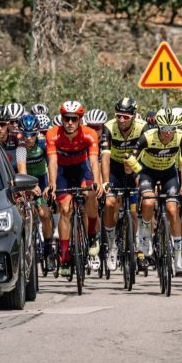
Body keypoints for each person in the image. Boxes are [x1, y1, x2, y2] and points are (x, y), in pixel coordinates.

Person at [126, 108, 182, 275]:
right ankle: (145, 237)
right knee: (148, 201)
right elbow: (131, 158)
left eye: (172, 129)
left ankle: (177, 258)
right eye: (165, 129)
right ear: (158, 127)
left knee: (172, 209)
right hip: (149, 172)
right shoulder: (148, 137)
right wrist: (137, 173)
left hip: (169, 173)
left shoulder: (181, 136)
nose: (169, 133)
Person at [44, 101, 103, 278]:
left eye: (74, 119)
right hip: (62, 171)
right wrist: (52, 183)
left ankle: (92, 236)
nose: (70, 122)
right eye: (66, 118)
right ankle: (65, 256)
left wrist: (98, 181)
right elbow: (52, 162)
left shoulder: (89, 134)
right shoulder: (53, 134)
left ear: (80, 120)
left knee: (91, 194)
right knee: (64, 209)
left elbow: (93, 161)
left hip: (81, 169)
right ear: (61, 118)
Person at [101, 97, 145, 269]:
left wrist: (142, 176)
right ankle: (111, 244)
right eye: (118, 116)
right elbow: (105, 156)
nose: (121, 120)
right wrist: (105, 182)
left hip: (135, 166)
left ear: (133, 116)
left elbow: (147, 155)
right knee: (110, 202)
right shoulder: (108, 127)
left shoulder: (143, 128)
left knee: (133, 213)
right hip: (115, 168)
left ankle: (134, 245)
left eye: (125, 117)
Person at [16, 114, 56, 271]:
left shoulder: (43, 145)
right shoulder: (20, 148)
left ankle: (48, 250)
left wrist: (51, 185)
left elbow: (51, 165)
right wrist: (28, 187)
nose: (28, 138)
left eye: (32, 134)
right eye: (25, 134)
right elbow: (22, 169)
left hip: (42, 180)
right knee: (23, 211)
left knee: (45, 213)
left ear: (38, 133)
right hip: (26, 180)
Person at [0, 105, 26, 174]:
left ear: (7, 124)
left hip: (14, 173)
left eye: (2, 124)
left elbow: (21, 164)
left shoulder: (18, 136)